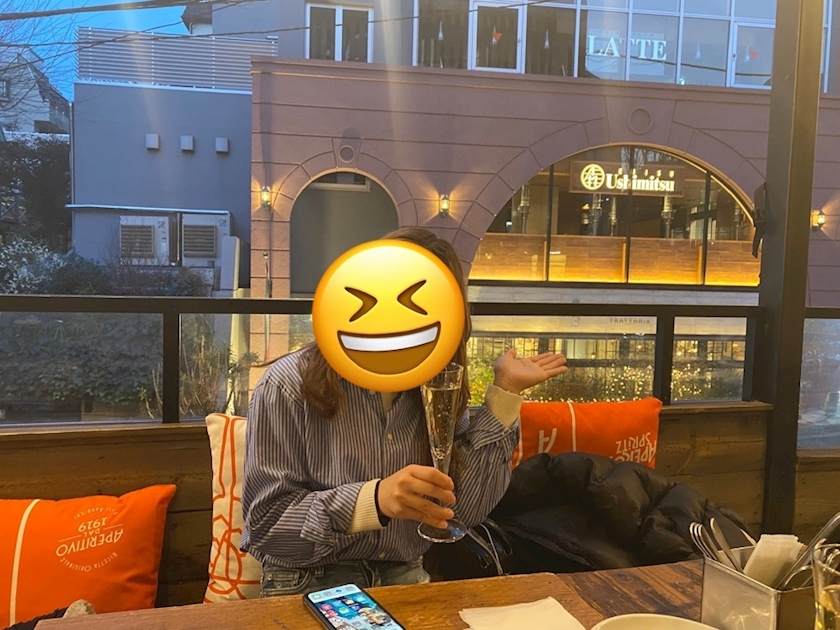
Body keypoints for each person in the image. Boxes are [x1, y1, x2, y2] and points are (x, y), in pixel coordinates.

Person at [241, 227, 567, 597]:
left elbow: (462, 513)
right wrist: (372, 501)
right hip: (308, 581)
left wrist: (505, 393)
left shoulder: (437, 386)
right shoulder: (287, 384)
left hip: (405, 575)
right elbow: (266, 528)